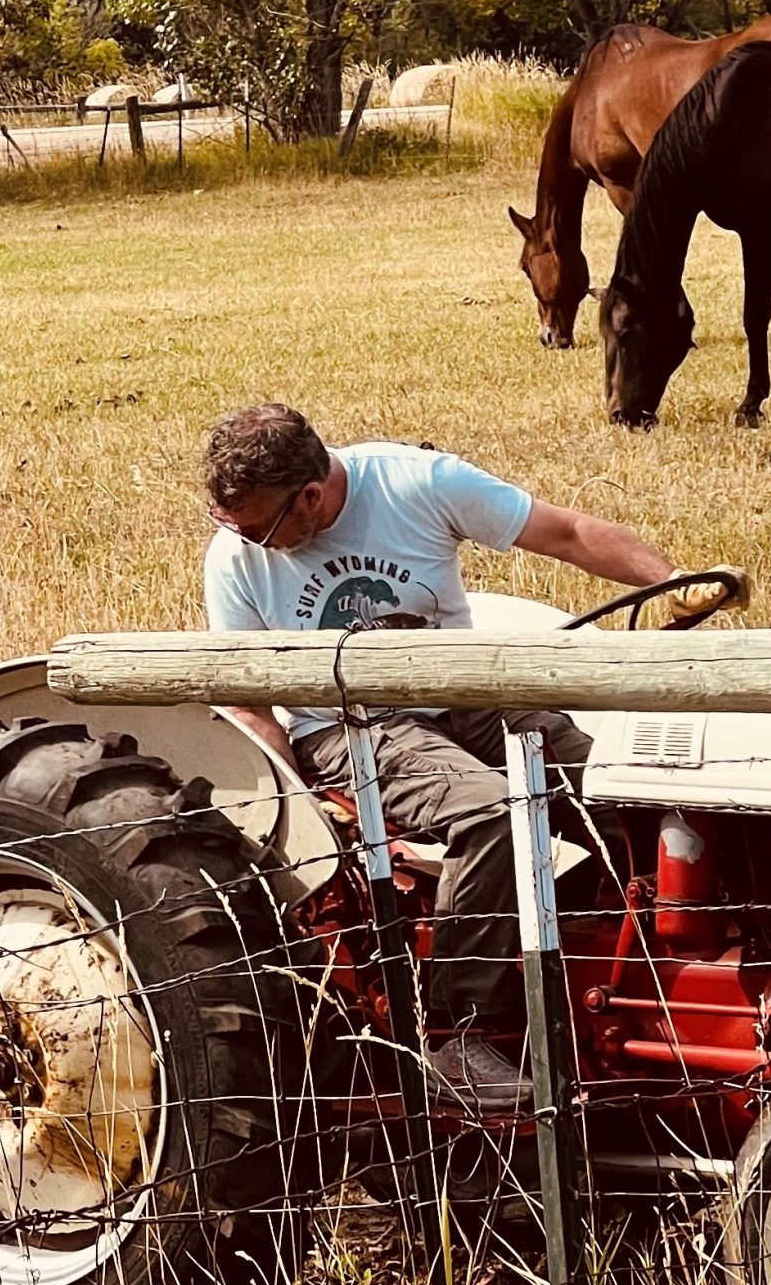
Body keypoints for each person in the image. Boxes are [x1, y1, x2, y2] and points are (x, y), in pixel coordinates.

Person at [200, 402, 673, 1108]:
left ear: (311, 496)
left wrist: (672, 583)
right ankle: (457, 1034)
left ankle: (638, 955)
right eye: (233, 527)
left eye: (261, 528)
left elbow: (568, 533)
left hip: (460, 696)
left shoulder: (417, 483)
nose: (248, 543)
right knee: (497, 814)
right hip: (347, 728)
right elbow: (248, 702)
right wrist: (302, 813)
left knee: (612, 782)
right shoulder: (236, 558)